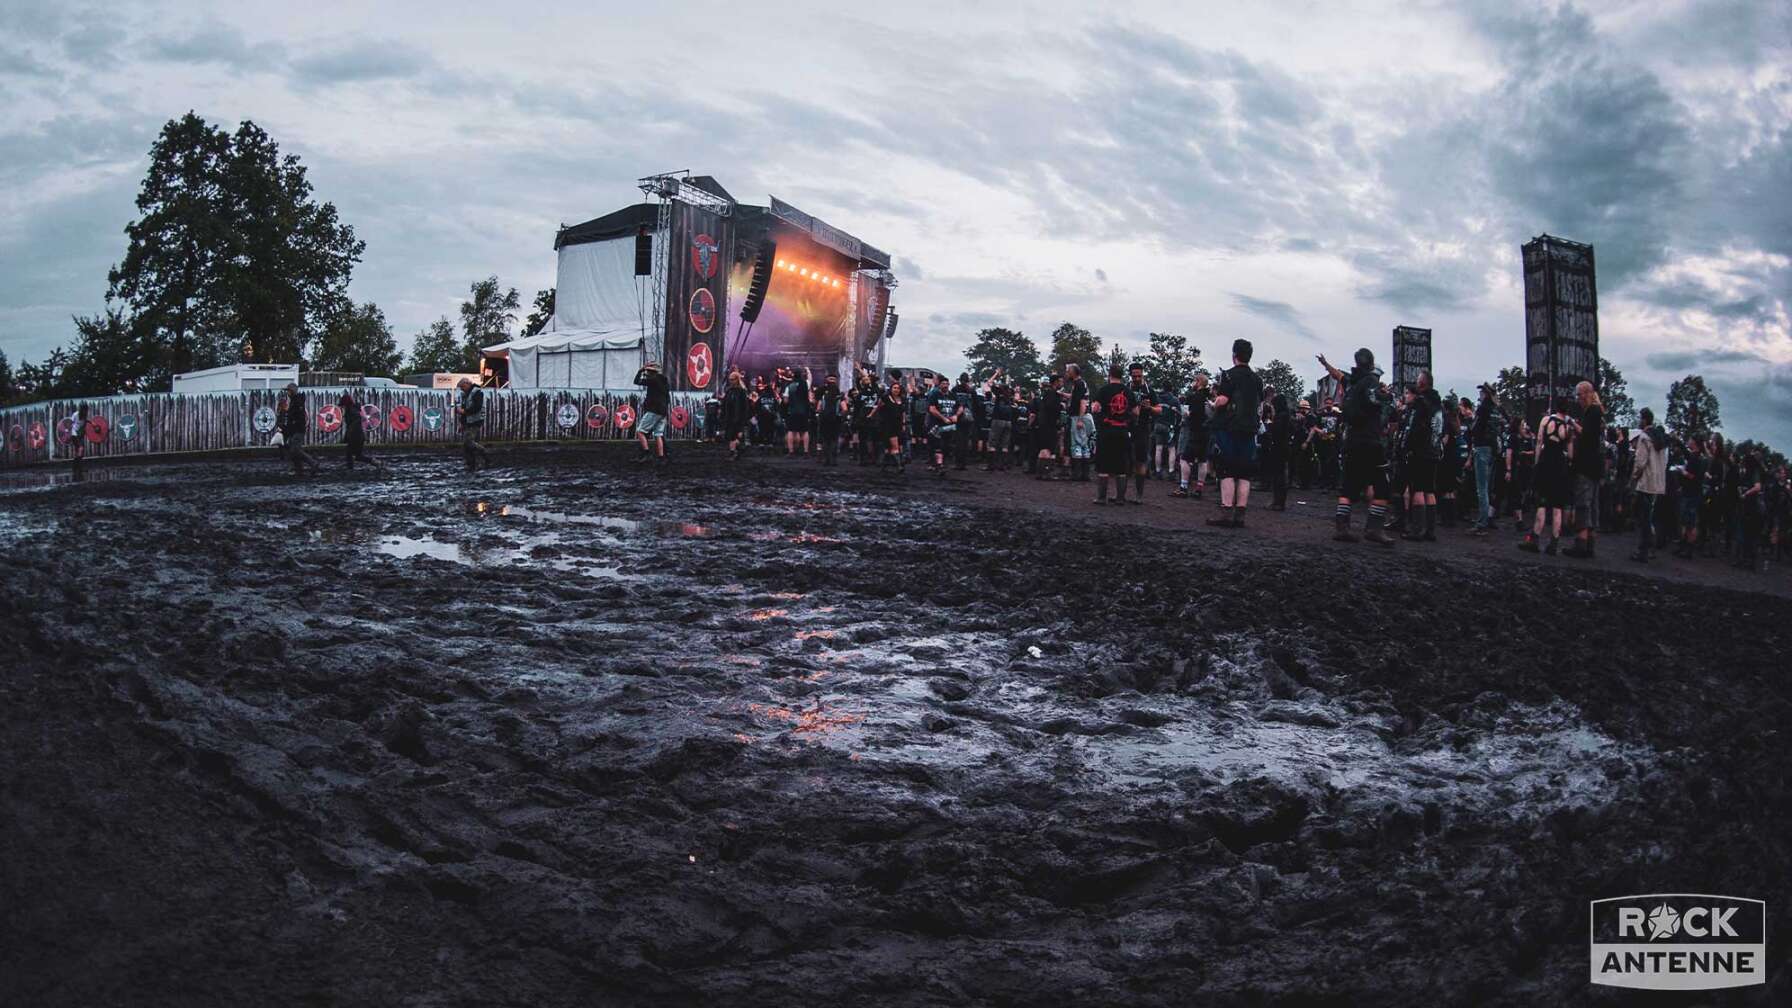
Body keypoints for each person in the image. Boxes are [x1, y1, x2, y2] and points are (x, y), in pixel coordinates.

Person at [1318, 349, 1395, 545]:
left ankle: (1342, 528)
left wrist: (1326, 365)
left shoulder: (1352, 382)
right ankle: (1374, 529)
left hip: (1351, 440)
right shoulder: (1371, 383)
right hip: (1371, 441)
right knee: (1382, 487)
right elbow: (1376, 400)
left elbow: (1338, 375)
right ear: (1372, 365)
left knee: (1348, 487)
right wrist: (1386, 396)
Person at [1207, 339, 1262, 528]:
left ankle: (1226, 512)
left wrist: (1214, 404)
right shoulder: (1257, 379)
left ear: (1234, 355)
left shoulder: (1228, 376)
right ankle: (1240, 515)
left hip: (1229, 428)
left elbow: (1222, 400)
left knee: (1227, 470)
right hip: (1250, 428)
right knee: (1245, 473)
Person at [1520, 401, 1574, 554]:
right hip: (1560, 467)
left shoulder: (1546, 421)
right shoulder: (1568, 428)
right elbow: (1570, 454)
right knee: (1557, 507)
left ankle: (1534, 540)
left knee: (1542, 503)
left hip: (1545, 463)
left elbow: (1538, 442)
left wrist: (1537, 463)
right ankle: (1553, 545)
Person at [1563, 380, 1603, 559]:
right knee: (1592, 506)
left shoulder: (1592, 412)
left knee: (1583, 505)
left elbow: (1586, 435)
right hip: (1594, 467)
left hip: (1586, 466)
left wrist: (1572, 423)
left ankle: (1581, 544)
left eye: (1579, 395)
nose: (1577, 399)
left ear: (1586, 393)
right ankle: (1590, 545)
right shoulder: (1597, 412)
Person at [1400, 373, 1441, 541]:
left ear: (1422, 383)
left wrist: (1407, 447)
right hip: (1434, 450)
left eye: (1418, 380)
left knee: (1418, 489)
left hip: (1420, 451)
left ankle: (1417, 530)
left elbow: (1414, 427)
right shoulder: (1438, 403)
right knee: (1430, 490)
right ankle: (1430, 531)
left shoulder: (1420, 403)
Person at [1090, 364, 1135, 505]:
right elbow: (1136, 412)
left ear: (1109, 374)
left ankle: (1102, 498)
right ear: (1122, 375)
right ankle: (1120, 498)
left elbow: (1095, 408)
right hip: (1122, 431)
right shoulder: (1128, 391)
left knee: (1103, 464)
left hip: (1107, 430)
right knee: (1121, 465)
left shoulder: (1103, 390)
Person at [1627, 407, 1667, 563]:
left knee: (1644, 518)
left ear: (1644, 420)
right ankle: (1651, 548)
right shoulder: (1661, 438)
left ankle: (1643, 551)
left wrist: (1634, 477)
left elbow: (1640, 461)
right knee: (1650, 516)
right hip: (1658, 482)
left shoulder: (1644, 437)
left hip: (1646, 481)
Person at [1468, 385, 1502, 533]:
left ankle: (1482, 522)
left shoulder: (1483, 409)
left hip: (1481, 447)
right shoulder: (1496, 409)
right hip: (1492, 449)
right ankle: (1488, 517)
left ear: (1485, 394)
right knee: (1488, 487)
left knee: (1481, 488)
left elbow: (1475, 428)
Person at [1174, 374, 1211, 498]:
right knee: (1202, 460)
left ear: (1198, 382)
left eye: (1194, 381)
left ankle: (1183, 488)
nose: (1192, 384)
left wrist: (1184, 413)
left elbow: (1189, 414)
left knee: (1184, 459)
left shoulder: (1194, 397)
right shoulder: (1210, 397)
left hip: (1195, 431)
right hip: (1207, 432)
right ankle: (1199, 489)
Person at [1127, 362, 1159, 504]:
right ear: (1130, 375)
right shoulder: (1126, 389)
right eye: (1134, 376)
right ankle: (1122, 493)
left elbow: (1159, 409)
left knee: (1140, 460)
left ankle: (1139, 495)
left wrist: (1150, 408)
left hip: (1143, 428)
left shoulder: (1149, 390)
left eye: (1139, 375)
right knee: (1125, 460)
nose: (1137, 378)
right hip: (1126, 427)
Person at [632, 362, 672, 465]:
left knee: (640, 431)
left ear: (650, 372)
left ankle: (646, 453)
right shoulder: (664, 381)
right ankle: (661, 457)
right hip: (663, 411)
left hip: (654, 410)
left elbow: (636, 381)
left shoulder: (652, 380)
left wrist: (640, 370)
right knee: (658, 434)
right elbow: (667, 398)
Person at [278, 382, 320, 476]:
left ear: (292, 391)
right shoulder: (294, 401)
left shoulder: (297, 402)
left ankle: (312, 462)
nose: (287, 393)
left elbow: (298, 418)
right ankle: (299, 469)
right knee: (293, 451)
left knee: (295, 450)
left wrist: (292, 427)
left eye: (288, 391)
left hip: (297, 430)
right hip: (294, 430)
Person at [339, 389, 384, 471]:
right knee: (357, 456)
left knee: (350, 454)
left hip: (355, 437)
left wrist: (349, 434)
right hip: (358, 436)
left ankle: (350, 470)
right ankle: (375, 462)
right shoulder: (353, 409)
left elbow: (355, 421)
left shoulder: (351, 411)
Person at [453, 377, 491, 473]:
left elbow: (477, 407)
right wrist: (462, 422)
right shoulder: (466, 394)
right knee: (467, 445)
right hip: (469, 421)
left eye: (462, 387)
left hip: (475, 421)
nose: (461, 389)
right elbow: (464, 409)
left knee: (468, 442)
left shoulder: (477, 392)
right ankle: (472, 464)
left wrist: (465, 411)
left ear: (467, 384)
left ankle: (485, 454)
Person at [1032, 373, 1063, 479]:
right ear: (1055, 382)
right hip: (1048, 424)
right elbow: (1051, 407)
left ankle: (1040, 473)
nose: (1061, 383)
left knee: (1044, 448)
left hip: (1044, 423)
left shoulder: (1048, 393)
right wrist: (1060, 406)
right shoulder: (1052, 393)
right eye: (1060, 381)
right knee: (1047, 448)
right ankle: (1045, 473)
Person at [1064, 363, 1092, 481]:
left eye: (1068, 371)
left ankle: (1077, 473)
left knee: (1077, 445)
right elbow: (1075, 397)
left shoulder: (1079, 384)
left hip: (1079, 416)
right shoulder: (1079, 384)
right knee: (1084, 445)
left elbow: (1082, 402)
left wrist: (1080, 419)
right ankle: (1084, 474)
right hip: (1082, 416)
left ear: (1073, 372)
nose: (1066, 373)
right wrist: (1062, 394)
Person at [1266, 394, 1293, 511]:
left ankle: (1278, 502)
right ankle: (1280, 501)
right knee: (1281, 475)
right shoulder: (1287, 415)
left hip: (1278, 448)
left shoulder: (1280, 417)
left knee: (1278, 476)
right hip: (1285, 447)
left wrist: (1269, 426)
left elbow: (1277, 432)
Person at [722, 368, 750, 460]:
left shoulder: (742, 391)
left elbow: (745, 407)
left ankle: (734, 452)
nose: (730, 381)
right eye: (730, 379)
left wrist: (743, 419)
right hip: (729, 418)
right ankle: (735, 451)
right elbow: (725, 404)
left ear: (737, 379)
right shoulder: (729, 391)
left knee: (736, 437)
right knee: (731, 437)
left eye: (732, 379)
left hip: (738, 418)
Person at [783, 367, 812, 456]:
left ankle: (791, 451)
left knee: (791, 431)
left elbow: (785, 401)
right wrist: (808, 370)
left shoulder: (789, 386)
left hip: (793, 411)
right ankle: (806, 451)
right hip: (804, 411)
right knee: (805, 431)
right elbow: (810, 379)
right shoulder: (805, 384)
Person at [815, 373, 844, 466]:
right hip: (836, 419)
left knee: (826, 440)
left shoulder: (823, 394)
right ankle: (834, 459)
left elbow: (818, 407)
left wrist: (819, 414)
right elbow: (845, 408)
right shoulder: (839, 394)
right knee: (834, 439)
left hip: (824, 418)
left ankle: (826, 459)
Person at [986, 384, 1016, 471]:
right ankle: (1002, 465)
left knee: (992, 443)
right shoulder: (1010, 397)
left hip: (998, 420)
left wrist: (997, 373)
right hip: (1008, 421)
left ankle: (991, 465)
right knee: (1005, 444)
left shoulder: (999, 394)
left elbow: (989, 383)